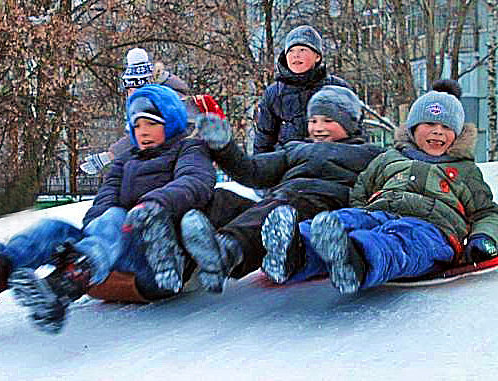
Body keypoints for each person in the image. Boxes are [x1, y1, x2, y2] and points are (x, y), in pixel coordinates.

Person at [0, 84, 217, 334]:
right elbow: (101, 206)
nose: (143, 130)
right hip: (109, 250)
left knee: (115, 217)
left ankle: (63, 286)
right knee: (52, 229)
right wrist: (92, 236)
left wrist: (150, 205)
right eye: (137, 125)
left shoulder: (188, 148)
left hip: (157, 259)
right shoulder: (126, 161)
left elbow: (195, 183)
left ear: (171, 122)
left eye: (152, 122)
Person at [259, 79, 498, 295]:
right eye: (429, 124)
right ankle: (293, 252)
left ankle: (356, 261)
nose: (438, 131)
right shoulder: (390, 158)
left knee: (400, 241)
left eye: (447, 127)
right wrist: (361, 211)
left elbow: (485, 212)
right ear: (413, 129)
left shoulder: (465, 170)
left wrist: (482, 238)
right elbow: (363, 185)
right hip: (379, 212)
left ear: (456, 135)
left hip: (433, 229)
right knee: (343, 220)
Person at [180, 85, 385, 292]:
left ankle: (227, 252)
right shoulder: (296, 149)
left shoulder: (369, 155)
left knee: (281, 207)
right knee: (224, 198)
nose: (318, 127)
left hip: (320, 208)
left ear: (350, 123)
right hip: (281, 205)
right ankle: (179, 256)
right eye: (313, 121)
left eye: (328, 121)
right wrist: (224, 147)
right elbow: (252, 170)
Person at [80, 50, 193, 175]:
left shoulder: (167, 104)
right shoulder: (157, 101)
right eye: (129, 91)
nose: (130, 96)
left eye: (134, 90)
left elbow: (141, 137)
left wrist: (109, 156)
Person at [254, 24, 352, 155]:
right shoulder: (274, 94)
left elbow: (355, 134)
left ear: (317, 56)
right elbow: (264, 141)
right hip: (289, 167)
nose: (296, 55)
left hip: (331, 164)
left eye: (302, 50)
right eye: (291, 51)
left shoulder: (337, 89)